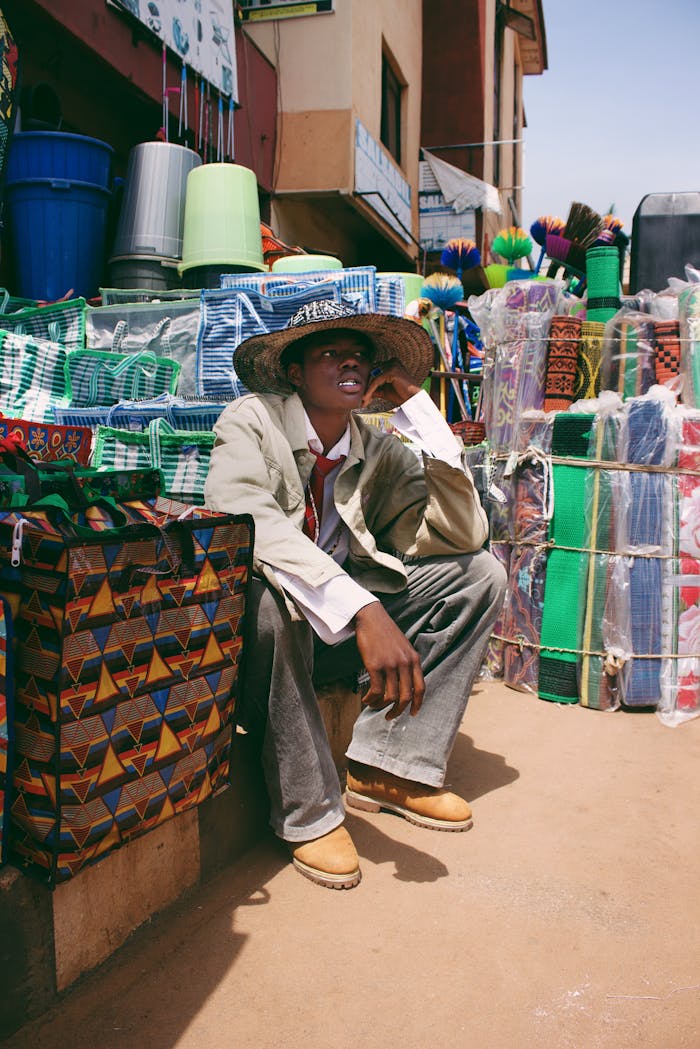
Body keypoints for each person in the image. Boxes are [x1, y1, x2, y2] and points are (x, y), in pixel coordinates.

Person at [204, 298, 506, 890]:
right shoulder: (250, 420)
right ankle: (309, 812)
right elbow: (246, 519)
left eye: (362, 358)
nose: (350, 364)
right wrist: (363, 609)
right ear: (295, 371)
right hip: (263, 645)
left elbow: (462, 535)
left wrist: (418, 409)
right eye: (330, 352)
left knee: (480, 575)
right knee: (268, 596)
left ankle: (388, 769)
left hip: (333, 638)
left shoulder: (379, 448)